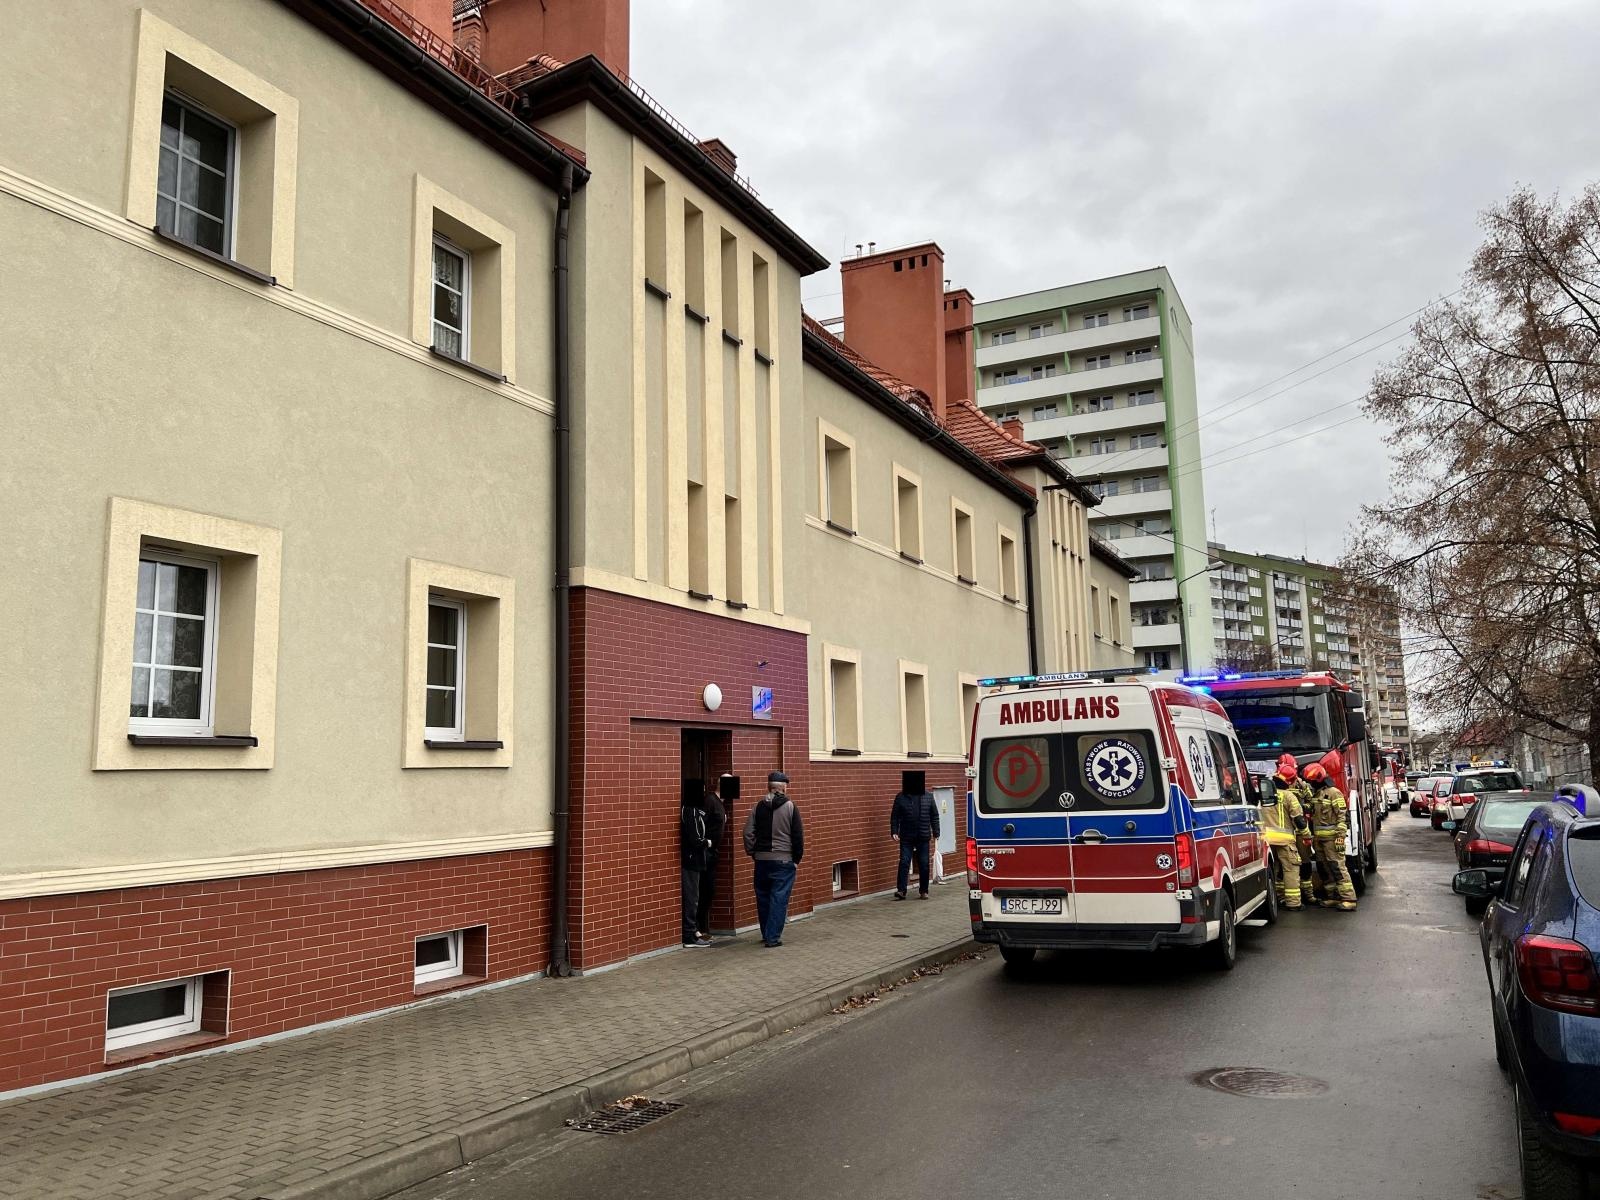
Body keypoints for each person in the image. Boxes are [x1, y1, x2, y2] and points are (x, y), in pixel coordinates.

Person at [743, 771, 804, 947]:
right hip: (784, 859)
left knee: (763, 897)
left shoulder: (758, 807)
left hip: (761, 860)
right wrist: (796, 859)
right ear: (784, 788)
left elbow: (747, 832)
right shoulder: (791, 807)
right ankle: (772, 937)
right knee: (779, 898)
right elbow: (797, 836)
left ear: (768, 788)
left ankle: (766, 933)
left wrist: (753, 852)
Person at [1303, 753, 1358, 912]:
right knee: (1324, 868)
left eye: (1312, 781)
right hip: (1319, 840)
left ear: (1318, 779)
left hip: (1334, 839)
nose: (1310, 783)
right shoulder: (1317, 794)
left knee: (1337, 867)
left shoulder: (1334, 793)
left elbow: (1342, 814)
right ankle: (1332, 897)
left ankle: (1348, 898)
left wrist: (1340, 837)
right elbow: (1313, 813)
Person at [1263, 754, 1310, 911]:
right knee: (1290, 869)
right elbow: (1299, 820)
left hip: (1267, 840)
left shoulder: (1265, 794)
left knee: (1274, 870)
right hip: (1285, 841)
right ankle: (1293, 902)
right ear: (1289, 781)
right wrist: (1306, 836)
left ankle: (1277, 898)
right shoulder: (1289, 796)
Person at [890, 770, 940, 900]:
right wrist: (894, 831)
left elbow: (934, 815)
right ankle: (901, 890)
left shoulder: (928, 796)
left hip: (923, 836)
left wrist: (936, 832)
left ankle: (924, 890)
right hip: (906, 835)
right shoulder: (901, 797)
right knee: (904, 862)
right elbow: (894, 816)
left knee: (923, 863)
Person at [693, 775, 730, 941]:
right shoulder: (710, 801)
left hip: (712, 853)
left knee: (708, 890)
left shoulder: (721, 803)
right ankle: (698, 928)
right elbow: (701, 823)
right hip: (705, 853)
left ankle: (701, 927)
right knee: (704, 889)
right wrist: (706, 843)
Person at [679, 784, 717, 947]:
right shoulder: (691, 811)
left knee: (694, 896)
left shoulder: (690, 810)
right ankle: (690, 934)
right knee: (692, 897)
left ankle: (693, 931)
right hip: (693, 859)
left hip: (692, 858)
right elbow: (696, 838)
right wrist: (707, 842)